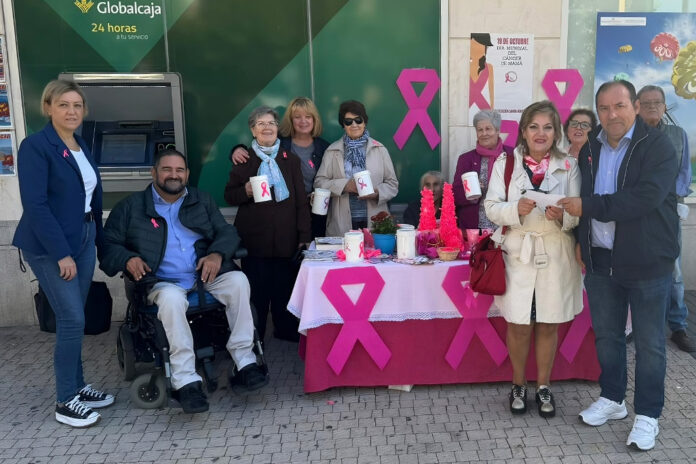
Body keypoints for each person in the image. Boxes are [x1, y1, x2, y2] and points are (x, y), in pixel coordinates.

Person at [558, 80, 679, 451]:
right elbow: (581, 195)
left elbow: (641, 199)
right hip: (601, 260)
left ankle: (647, 414)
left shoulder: (658, 145)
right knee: (608, 337)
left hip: (646, 261)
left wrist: (588, 208)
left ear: (636, 107)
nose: (612, 115)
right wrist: (582, 242)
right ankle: (613, 400)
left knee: (649, 343)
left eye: (620, 106)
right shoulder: (590, 147)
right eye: (605, 108)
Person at [100, 149, 267, 414]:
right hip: (160, 281)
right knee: (171, 299)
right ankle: (185, 378)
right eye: (167, 169)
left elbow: (226, 231)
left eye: (180, 170)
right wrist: (127, 258)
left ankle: (245, 361)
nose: (174, 175)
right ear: (154, 173)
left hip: (203, 277)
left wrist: (216, 253)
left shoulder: (200, 200)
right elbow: (108, 245)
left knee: (238, 280)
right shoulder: (130, 207)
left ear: (187, 174)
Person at [12, 79, 114, 427]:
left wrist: (96, 239)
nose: (71, 112)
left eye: (77, 105)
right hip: (50, 244)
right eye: (63, 105)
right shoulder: (36, 146)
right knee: (71, 319)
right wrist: (62, 254)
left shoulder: (80, 144)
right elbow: (36, 206)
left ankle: (79, 386)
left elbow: (91, 197)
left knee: (77, 316)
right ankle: (65, 401)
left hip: (83, 235)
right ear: (48, 108)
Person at [484, 100, 582, 419]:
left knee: (548, 323)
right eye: (534, 127)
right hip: (519, 253)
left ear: (556, 132)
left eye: (548, 127)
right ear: (524, 131)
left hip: (554, 254)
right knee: (519, 323)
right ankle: (518, 384)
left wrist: (562, 216)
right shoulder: (506, 163)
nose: (541, 134)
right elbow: (491, 206)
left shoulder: (569, 164)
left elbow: (579, 211)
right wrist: (515, 210)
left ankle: (543, 385)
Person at [225, 106, 311, 342]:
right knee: (257, 292)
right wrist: (245, 191)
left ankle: (284, 330)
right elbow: (229, 195)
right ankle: (256, 335)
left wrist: (304, 235)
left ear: (277, 129)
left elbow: (301, 201)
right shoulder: (244, 159)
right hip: (254, 240)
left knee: (284, 288)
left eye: (271, 123)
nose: (266, 128)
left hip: (286, 238)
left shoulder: (290, 160)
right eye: (260, 124)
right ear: (253, 130)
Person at [637, 85, 695, 353]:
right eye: (646, 102)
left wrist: (675, 199)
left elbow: (684, 173)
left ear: (664, 106)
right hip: (635, 212)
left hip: (668, 212)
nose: (652, 107)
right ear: (636, 105)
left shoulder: (678, 134)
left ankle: (678, 325)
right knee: (635, 267)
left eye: (656, 102)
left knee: (673, 272)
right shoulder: (628, 133)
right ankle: (638, 325)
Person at [230, 97, 330, 238]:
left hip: (315, 213)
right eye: (297, 117)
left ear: (315, 120)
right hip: (284, 215)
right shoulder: (279, 144)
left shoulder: (325, 148)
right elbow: (257, 149)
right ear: (290, 120)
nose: (303, 121)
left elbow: (330, 178)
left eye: (308, 117)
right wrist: (237, 149)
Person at [314, 100, 399, 235]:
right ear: (343, 125)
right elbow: (319, 183)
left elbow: (392, 184)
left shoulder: (379, 149)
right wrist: (345, 186)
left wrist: (377, 193)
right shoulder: (333, 150)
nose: (354, 124)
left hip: (375, 220)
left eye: (358, 120)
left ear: (364, 122)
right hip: (342, 222)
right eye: (348, 121)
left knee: (374, 254)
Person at [453, 109, 513, 230]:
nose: (484, 133)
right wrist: (471, 193)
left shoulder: (513, 155)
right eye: (480, 130)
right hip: (475, 227)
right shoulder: (466, 159)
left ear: (497, 130)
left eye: (488, 129)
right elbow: (455, 195)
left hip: (506, 225)